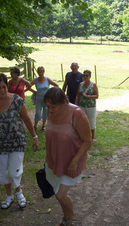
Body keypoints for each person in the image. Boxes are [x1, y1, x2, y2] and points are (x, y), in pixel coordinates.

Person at [0, 73, 39, 209]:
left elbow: (27, 119)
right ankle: (9, 196)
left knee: (13, 172)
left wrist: (35, 137)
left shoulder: (16, 100)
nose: (3, 90)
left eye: (4, 87)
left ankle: (19, 193)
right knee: (2, 173)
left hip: (17, 142)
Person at [43, 87, 92, 226]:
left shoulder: (77, 114)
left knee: (60, 195)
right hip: (54, 160)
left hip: (72, 161)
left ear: (64, 102)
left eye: (53, 106)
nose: (50, 110)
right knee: (58, 192)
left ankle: (72, 216)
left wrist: (75, 161)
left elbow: (87, 141)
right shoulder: (51, 111)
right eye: (48, 106)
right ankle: (65, 219)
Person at [28, 66, 59, 131]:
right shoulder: (36, 80)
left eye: (42, 72)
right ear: (38, 72)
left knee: (45, 112)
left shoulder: (47, 79)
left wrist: (51, 92)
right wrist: (34, 91)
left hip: (46, 100)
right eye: (39, 72)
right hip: (38, 99)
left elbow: (56, 85)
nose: (41, 73)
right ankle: (35, 125)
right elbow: (28, 86)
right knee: (38, 112)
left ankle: (43, 125)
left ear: (44, 72)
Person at [75, 70, 99, 142]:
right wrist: (76, 105)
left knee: (91, 120)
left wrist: (88, 96)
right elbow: (78, 95)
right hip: (82, 105)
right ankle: (83, 135)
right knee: (82, 121)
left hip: (91, 106)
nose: (85, 77)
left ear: (90, 76)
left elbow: (97, 96)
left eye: (87, 75)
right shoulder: (81, 84)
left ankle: (93, 136)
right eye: (84, 75)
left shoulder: (93, 85)